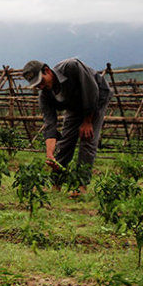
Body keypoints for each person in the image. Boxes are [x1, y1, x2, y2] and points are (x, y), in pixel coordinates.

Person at [22, 58, 111, 197]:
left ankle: (81, 186)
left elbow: (91, 90)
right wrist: (50, 154)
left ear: (47, 71)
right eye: (37, 85)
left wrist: (87, 121)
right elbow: (50, 124)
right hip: (74, 106)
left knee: (87, 138)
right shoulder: (45, 96)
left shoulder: (71, 67)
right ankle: (56, 183)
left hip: (96, 98)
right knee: (64, 143)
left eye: (42, 82)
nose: (41, 87)